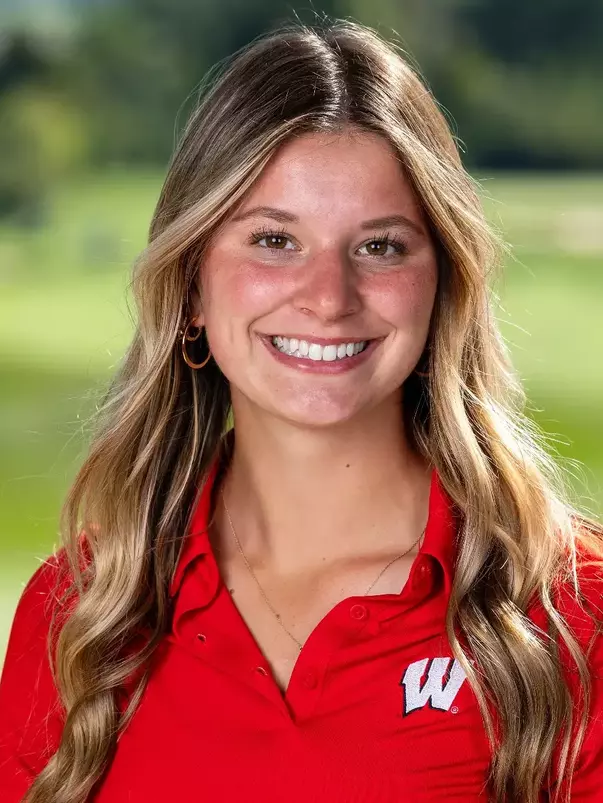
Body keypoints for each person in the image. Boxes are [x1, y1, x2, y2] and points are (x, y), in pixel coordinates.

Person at [1, 16, 602, 803]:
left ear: (441, 285)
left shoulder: (569, 614)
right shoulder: (79, 615)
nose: (328, 298)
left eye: (381, 245)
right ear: (190, 286)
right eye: (273, 241)